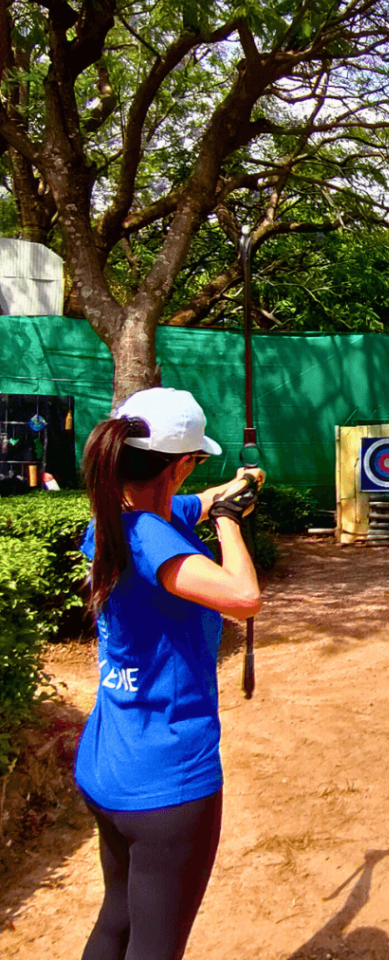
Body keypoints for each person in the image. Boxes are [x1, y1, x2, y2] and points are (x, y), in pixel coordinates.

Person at [76, 387, 265, 960]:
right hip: (167, 784)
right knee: (156, 947)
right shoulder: (155, 539)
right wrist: (231, 523)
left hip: (110, 766)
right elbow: (242, 597)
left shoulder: (116, 519)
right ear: (180, 463)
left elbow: (192, 504)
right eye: (195, 462)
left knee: (119, 920)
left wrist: (231, 491)